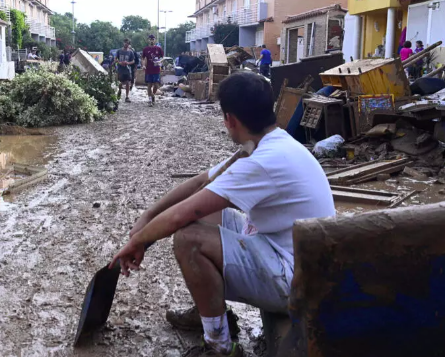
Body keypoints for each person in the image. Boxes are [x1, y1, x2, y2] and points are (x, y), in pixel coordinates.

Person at [109, 72, 335, 357]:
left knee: (189, 239)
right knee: (200, 218)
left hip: (296, 282)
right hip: (290, 255)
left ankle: (220, 347)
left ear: (230, 119)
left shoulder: (264, 161)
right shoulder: (270, 145)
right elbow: (198, 183)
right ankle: (211, 313)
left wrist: (139, 242)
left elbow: (184, 213)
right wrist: (146, 218)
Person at [142, 34, 164, 106]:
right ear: (148, 40)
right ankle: (150, 100)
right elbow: (143, 58)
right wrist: (143, 65)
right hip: (148, 69)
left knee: (156, 85)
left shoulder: (159, 49)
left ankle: (153, 95)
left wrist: (160, 62)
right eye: (150, 39)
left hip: (156, 69)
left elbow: (163, 57)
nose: (151, 40)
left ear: (155, 40)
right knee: (149, 85)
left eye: (153, 39)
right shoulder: (145, 49)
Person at [116, 39, 135, 103]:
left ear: (129, 44)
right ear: (123, 43)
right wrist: (119, 62)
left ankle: (127, 96)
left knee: (127, 82)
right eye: (125, 43)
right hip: (120, 69)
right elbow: (116, 59)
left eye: (127, 43)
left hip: (127, 69)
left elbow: (133, 61)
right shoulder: (119, 51)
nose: (126, 44)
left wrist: (128, 63)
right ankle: (119, 91)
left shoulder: (130, 52)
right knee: (120, 82)